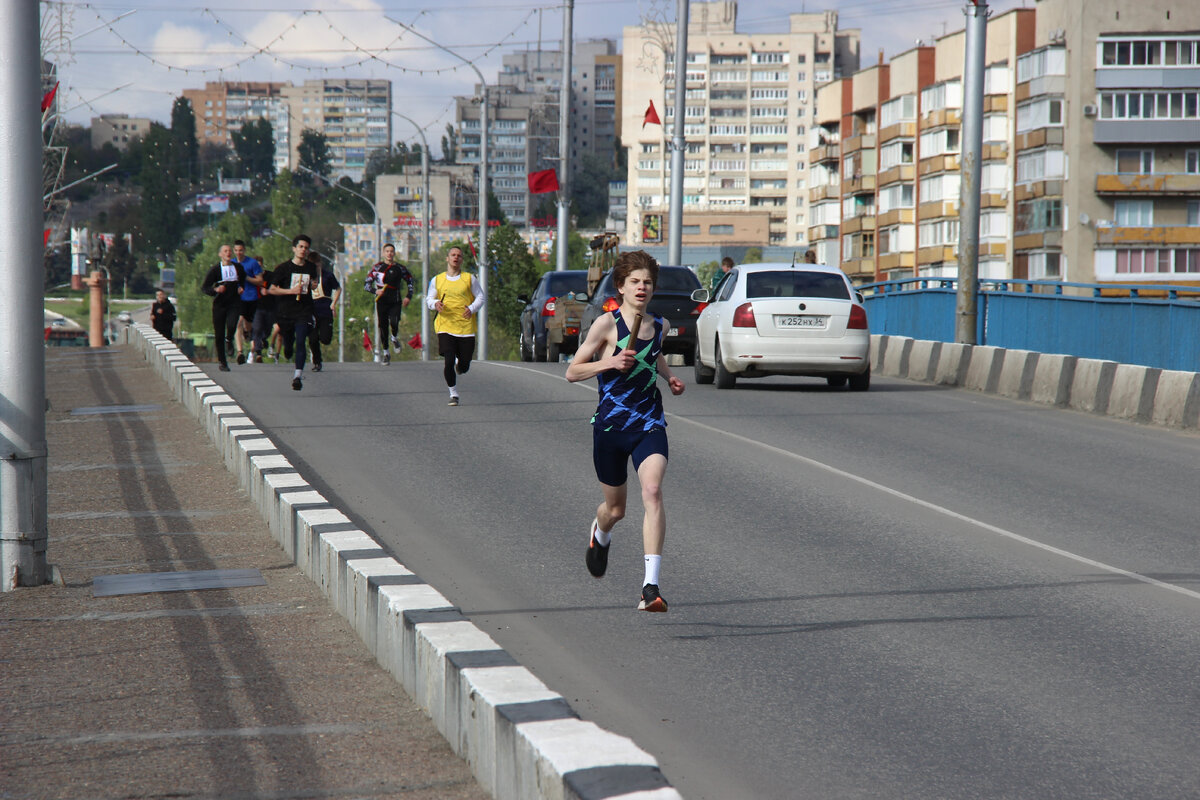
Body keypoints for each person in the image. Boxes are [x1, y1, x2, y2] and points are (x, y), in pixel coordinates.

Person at [565, 250, 686, 613]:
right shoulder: (607, 325)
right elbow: (573, 371)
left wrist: (669, 377)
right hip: (610, 427)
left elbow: (655, 353)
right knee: (616, 510)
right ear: (621, 286)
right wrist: (611, 361)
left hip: (649, 423)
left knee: (652, 490)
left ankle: (651, 588)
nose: (642, 287)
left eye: (647, 282)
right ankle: (600, 534)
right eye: (634, 281)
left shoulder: (659, 325)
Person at [425, 245, 485, 406]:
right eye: (453, 255)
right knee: (448, 360)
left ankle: (462, 364)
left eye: (459, 255)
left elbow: (480, 297)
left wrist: (471, 309)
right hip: (445, 325)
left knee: (464, 365)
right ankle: (453, 393)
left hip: (465, 327)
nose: (455, 258)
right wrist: (435, 304)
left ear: (462, 259)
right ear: (447, 258)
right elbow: (429, 299)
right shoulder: (437, 279)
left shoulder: (469, 278)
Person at [268, 235, 319, 391]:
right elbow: (272, 289)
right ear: (294, 248)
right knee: (289, 344)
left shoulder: (311, 267)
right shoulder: (283, 268)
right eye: (301, 247)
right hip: (286, 312)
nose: (303, 250)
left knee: (302, 339)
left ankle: (297, 376)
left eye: (306, 247)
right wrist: (290, 291)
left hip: (304, 310)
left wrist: (313, 284)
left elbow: (315, 285)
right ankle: (287, 347)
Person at [200, 244, 246, 372]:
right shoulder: (215, 270)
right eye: (225, 251)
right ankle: (222, 361)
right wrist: (216, 289)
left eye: (230, 251)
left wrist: (241, 288)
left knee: (232, 324)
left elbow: (242, 281)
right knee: (219, 333)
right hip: (220, 304)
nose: (228, 253)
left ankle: (229, 339)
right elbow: (205, 287)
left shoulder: (238, 268)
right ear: (220, 254)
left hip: (234, 303)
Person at [373, 244, 415, 366]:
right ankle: (386, 352)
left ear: (394, 253)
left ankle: (394, 337)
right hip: (381, 300)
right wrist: (375, 291)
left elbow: (410, 280)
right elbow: (367, 283)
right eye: (387, 251)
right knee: (383, 326)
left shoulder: (400, 268)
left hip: (395, 300)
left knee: (394, 321)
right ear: (383, 253)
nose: (389, 253)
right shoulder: (377, 268)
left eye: (391, 251)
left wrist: (409, 296)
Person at [307, 254, 341, 372]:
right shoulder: (307, 277)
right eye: (313, 265)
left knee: (325, 339)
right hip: (311, 309)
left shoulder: (328, 275)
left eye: (317, 264)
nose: (316, 267)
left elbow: (338, 288)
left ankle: (323, 340)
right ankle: (317, 362)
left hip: (325, 308)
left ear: (320, 263)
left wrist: (334, 303)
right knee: (312, 338)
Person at [232, 240, 264, 364]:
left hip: (251, 298)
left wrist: (246, 277)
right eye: (236, 250)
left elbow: (260, 281)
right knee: (238, 322)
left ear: (244, 250)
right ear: (234, 251)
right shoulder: (231, 263)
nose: (238, 253)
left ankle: (249, 334)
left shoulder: (252, 263)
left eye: (241, 250)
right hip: (237, 299)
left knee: (249, 325)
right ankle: (240, 352)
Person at [251, 262, 276, 364]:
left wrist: (268, 291)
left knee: (268, 329)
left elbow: (275, 288)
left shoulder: (270, 276)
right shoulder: (251, 277)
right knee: (257, 329)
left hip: (270, 307)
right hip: (257, 308)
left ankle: (263, 339)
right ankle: (259, 353)